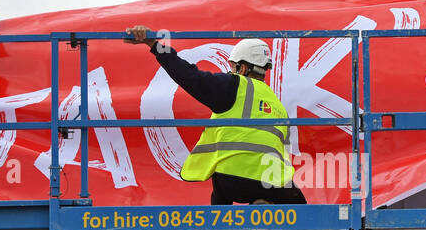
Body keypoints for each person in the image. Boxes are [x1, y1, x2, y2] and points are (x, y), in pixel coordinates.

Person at [124, 25, 306, 205]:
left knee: (220, 187)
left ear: (241, 68)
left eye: (233, 67)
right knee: (300, 205)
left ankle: (220, 227)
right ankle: (266, 207)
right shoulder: (277, 104)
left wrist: (154, 45)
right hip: (271, 185)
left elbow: (187, 75)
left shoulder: (233, 86)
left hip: (232, 182)